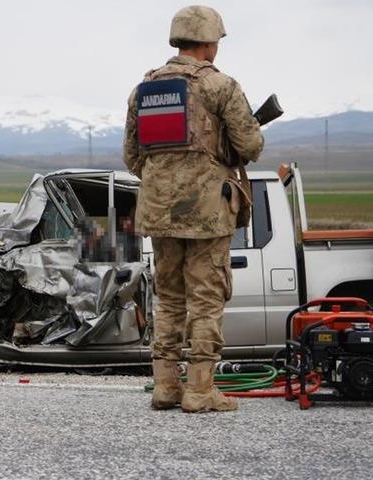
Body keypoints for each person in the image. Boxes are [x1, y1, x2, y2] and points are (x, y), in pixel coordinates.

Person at [123, 6, 264, 412]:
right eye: (216, 42)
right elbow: (251, 146)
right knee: (205, 299)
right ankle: (201, 391)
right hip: (206, 213)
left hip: (159, 212)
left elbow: (133, 157)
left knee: (167, 299)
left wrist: (168, 177)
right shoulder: (220, 86)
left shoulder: (143, 90)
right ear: (208, 42)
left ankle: (165, 387)